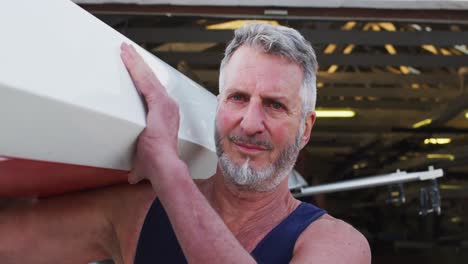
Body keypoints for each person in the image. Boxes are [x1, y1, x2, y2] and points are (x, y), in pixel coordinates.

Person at [0, 23, 370, 264]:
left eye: (274, 105)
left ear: (305, 129)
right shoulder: (136, 212)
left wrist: (167, 168)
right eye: (238, 98)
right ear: (218, 105)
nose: (251, 123)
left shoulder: (338, 245)